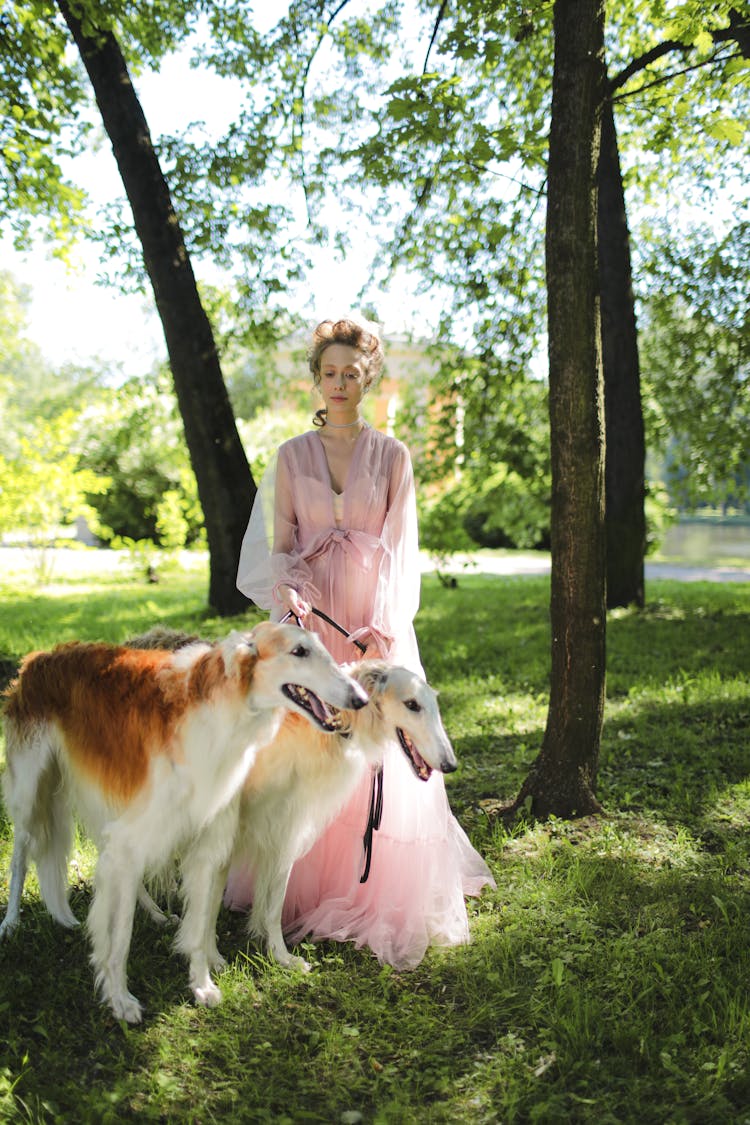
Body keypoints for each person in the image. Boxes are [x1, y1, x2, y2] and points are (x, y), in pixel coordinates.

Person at [226, 316, 495, 968]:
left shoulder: (393, 456)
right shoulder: (291, 456)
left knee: (375, 756)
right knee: (311, 754)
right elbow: (282, 546)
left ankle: (369, 888)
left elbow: (403, 552)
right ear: (315, 379)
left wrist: (384, 623)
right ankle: (289, 888)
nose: (339, 383)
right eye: (329, 373)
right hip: (315, 629)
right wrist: (289, 594)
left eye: (351, 373)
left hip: (375, 626)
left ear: (367, 377)